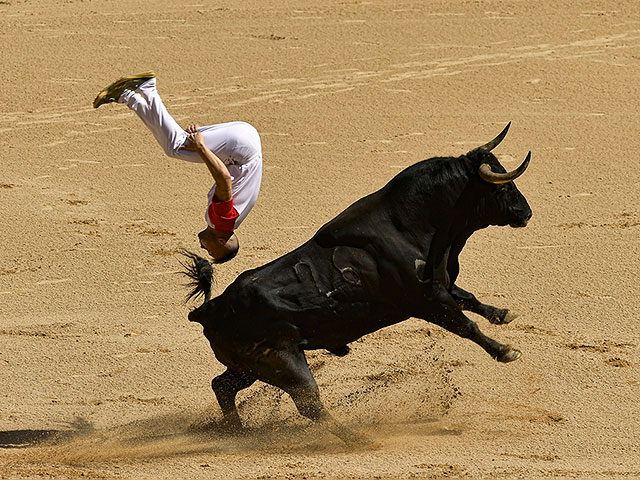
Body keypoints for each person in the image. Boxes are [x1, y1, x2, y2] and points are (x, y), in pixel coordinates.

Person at [93, 72, 263, 263]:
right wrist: (201, 147)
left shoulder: (230, 221)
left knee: (179, 141)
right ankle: (146, 89)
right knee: (176, 146)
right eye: (210, 251)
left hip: (244, 139)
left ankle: (128, 96)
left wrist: (203, 146)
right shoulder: (222, 223)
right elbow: (223, 178)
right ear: (222, 241)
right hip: (240, 148)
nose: (202, 248)